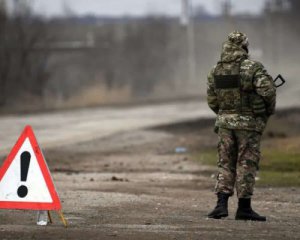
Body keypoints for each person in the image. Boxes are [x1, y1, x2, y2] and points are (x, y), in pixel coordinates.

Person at [206, 31, 276, 221]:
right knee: (246, 162)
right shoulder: (252, 68)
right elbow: (268, 91)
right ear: (244, 46)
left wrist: (226, 115)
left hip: (225, 124)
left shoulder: (216, 70)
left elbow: (212, 100)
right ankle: (244, 208)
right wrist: (265, 111)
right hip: (248, 125)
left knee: (225, 163)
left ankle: (221, 205)